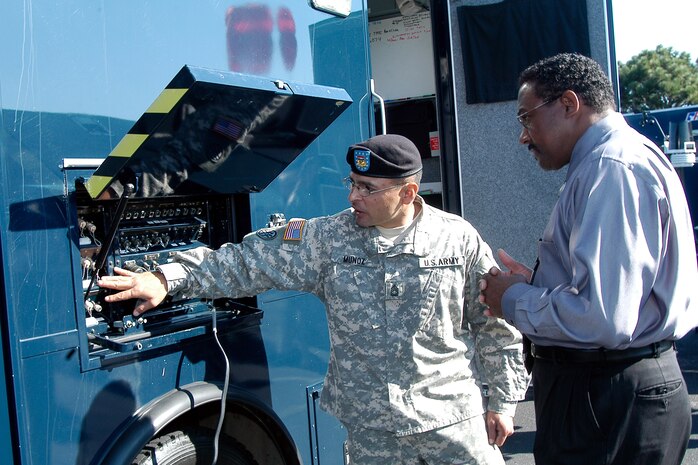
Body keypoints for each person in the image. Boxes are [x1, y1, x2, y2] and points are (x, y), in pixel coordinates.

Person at [98, 134, 529, 465]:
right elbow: (249, 261)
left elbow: (494, 325)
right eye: (352, 183)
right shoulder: (328, 238)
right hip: (372, 431)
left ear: (407, 193)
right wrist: (167, 277)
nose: (352, 196)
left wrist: (504, 403)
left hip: (452, 422)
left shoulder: (457, 240)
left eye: (367, 188)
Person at [478, 52, 698, 465]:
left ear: (568, 104)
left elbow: (603, 318)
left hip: (607, 395)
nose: (523, 136)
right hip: (610, 390)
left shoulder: (612, 168)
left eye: (526, 118)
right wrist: (540, 285)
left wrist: (513, 299)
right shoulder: (608, 163)